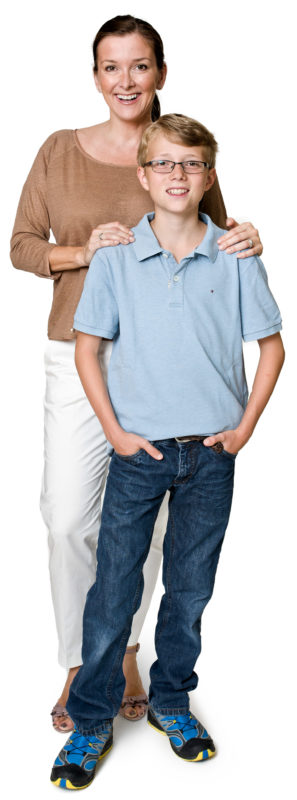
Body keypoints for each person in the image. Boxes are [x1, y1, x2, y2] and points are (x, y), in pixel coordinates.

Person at [10, 15, 262, 730]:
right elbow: (21, 246)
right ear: (95, 75)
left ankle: (121, 654)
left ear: (160, 72)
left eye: (139, 65)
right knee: (66, 519)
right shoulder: (59, 151)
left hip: (165, 363)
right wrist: (82, 251)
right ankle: (74, 658)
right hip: (79, 351)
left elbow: (216, 238)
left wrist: (250, 234)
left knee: (149, 529)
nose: (125, 80)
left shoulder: (174, 148)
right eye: (111, 66)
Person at [50, 113, 284, 788]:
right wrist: (117, 432)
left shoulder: (235, 253)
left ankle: (172, 701)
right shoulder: (119, 257)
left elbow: (270, 347)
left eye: (191, 164)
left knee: (188, 590)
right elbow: (88, 350)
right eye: (164, 165)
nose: (177, 176)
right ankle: (91, 718)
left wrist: (243, 429)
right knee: (113, 589)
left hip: (211, 457)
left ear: (208, 174)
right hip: (139, 453)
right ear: (142, 174)